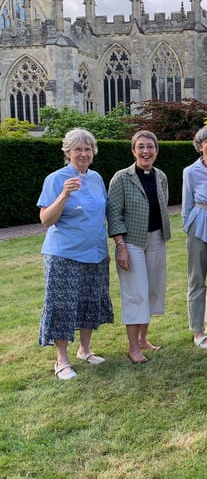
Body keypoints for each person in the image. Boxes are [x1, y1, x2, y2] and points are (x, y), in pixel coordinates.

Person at [37, 128, 114, 380]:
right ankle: (61, 360)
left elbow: (100, 215)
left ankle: (85, 350)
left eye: (87, 149)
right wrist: (64, 195)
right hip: (65, 255)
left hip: (95, 253)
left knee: (90, 301)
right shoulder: (56, 179)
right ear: (67, 152)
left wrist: (107, 249)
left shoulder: (96, 178)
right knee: (62, 305)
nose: (83, 153)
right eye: (78, 149)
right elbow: (46, 220)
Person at [107, 130, 171, 364]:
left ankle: (144, 340)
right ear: (133, 151)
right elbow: (114, 213)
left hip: (156, 239)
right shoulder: (121, 178)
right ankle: (133, 348)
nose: (146, 151)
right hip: (131, 242)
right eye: (141, 147)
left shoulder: (161, 176)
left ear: (156, 150)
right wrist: (120, 246)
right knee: (135, 294)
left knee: (152, 291)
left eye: (150, 147)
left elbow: (161, 204)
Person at [181, 127, 207, 351]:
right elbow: (186, 204)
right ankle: (198, 331)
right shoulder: (191, 171)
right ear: (200, 146)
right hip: (199, 224)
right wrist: (190, 227)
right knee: (197, 279)